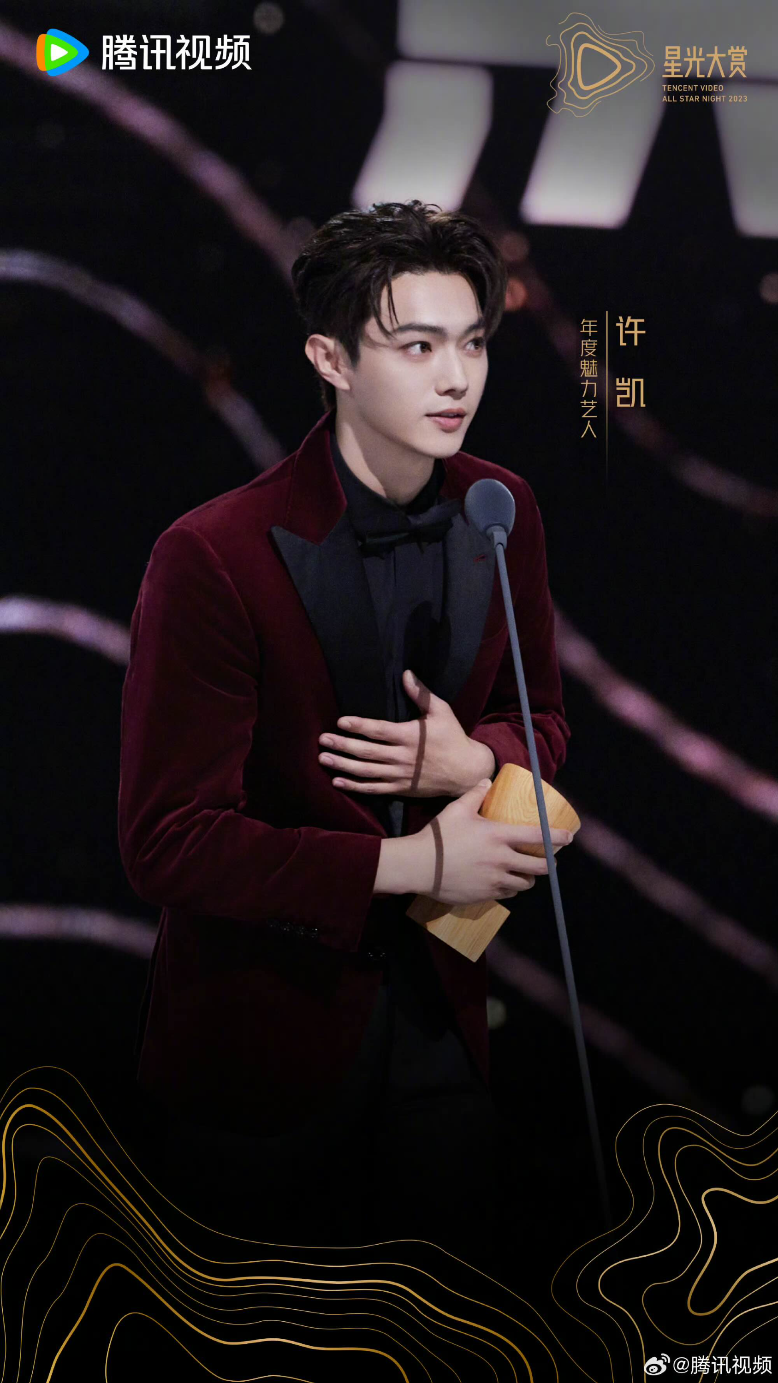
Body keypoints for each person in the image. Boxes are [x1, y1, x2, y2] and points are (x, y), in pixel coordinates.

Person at [117, 199, 572, 1270]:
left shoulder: (501, 511)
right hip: (259, 1052)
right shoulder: (214, 553)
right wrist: (411, 863)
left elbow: (543, 720)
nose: (456, 379)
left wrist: (479, 761)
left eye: (472, 343)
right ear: (330, 359)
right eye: (417, 347)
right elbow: (167, 841)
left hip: (444, 1025)